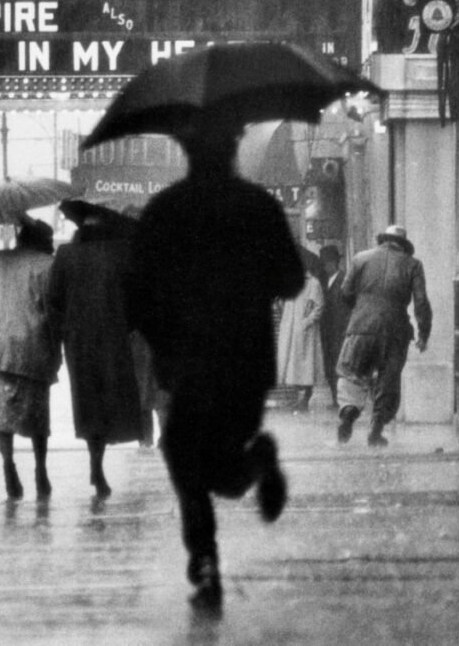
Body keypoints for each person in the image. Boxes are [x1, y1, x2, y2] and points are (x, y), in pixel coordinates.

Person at [126, 116, 305, 615]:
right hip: (245, 360)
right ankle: (254, 465)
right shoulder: (258, 207)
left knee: (186, 457)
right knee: (214, 461)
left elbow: (136, 294)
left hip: (188, 361)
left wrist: (164, 332)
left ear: (186, 151)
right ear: (232, 150)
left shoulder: (164, 211)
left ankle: (205, 556)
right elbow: (291, 280)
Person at [48, 199, 144, 500]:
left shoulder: (65, 255)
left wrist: (62, 332)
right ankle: (97, 461)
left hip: (78, 341)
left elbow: (54, 301)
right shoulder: (120, 254)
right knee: (109, 399)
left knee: (86, 399)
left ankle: (95, 457)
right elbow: (137, 300)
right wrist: (125, 326)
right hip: (113, 338)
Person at [0, 217, 60, 500]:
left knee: (2, 413)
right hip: (32, 346)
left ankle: (8, 463)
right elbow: (51, 310)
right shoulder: (47, 265)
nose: (51, 248)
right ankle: (40, 468)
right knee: (37, 416)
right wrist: (57, 348)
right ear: (40, 241)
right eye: (49, 242)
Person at [335, 225, 432, 447]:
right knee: (388, 380)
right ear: (404, 245)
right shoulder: (413, 264)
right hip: (395, 331)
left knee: (351, 373)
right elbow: (421, 302)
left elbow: (345, 292)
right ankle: (376, 430)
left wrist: (361, 309)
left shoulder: (360, 258)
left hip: (360, 327)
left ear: (383, 240)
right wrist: (423, 333)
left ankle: (348, 413)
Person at [276, 254, 325, 412]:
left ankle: (306, 397)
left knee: (306, 365)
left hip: (305, 332)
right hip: (289, 328)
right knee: (291, 365)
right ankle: (296, 398)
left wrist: (306, 322)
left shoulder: (313, 283)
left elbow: (319, 307)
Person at [318, 244, 350, 408]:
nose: (326, 267)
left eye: (328, 263)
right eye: (324, 264)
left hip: (340, 329)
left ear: (335, 262)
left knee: (339, 364)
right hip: (327, 331)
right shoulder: (324, 282)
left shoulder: (344, 279)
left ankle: (340, 399)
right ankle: (335, 397)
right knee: (329, 364)